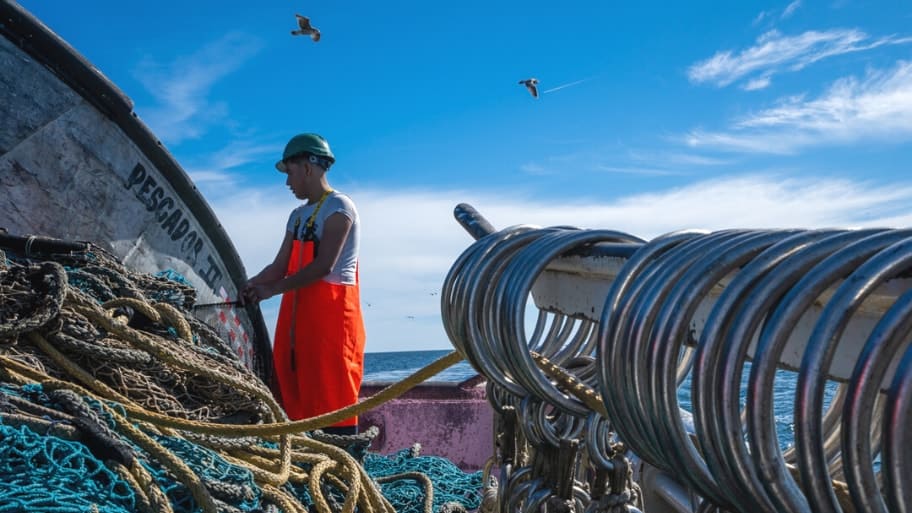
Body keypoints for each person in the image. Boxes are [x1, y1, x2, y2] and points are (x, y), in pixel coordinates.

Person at [242, 133, 365, 435]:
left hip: (331, 322)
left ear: (308, 168)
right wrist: (247, 285)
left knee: (332, 396)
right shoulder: (296, 217)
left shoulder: (339, 206)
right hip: (296, 322)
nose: (287, 183)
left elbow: (324, 266)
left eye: (290, 173)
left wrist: (271, 291)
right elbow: (278, 267)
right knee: (295, 393)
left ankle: (342, 462)